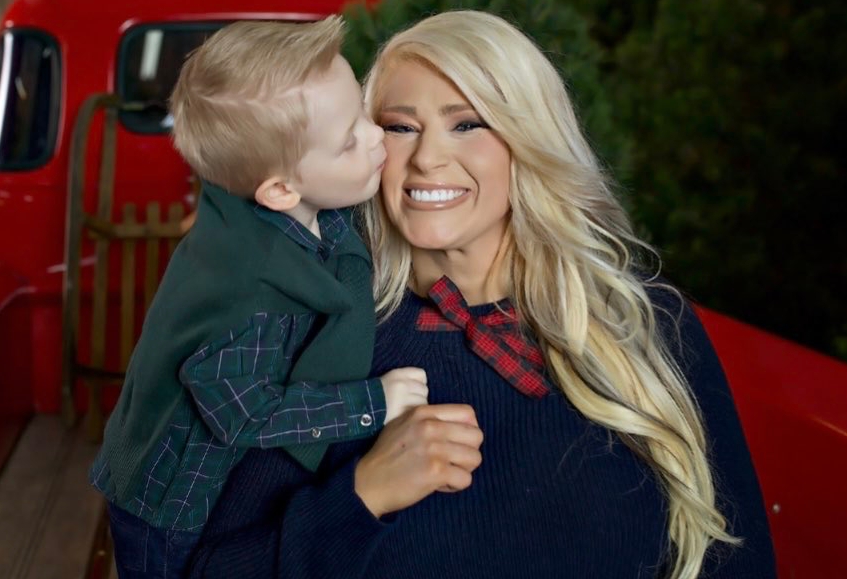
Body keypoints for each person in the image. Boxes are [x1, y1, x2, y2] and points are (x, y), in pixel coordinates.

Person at [185, 10, 776, 579]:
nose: (428, 158)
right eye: (401, 127)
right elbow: (208, 568)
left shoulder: (646, 320)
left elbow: (735, 560)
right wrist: (363, 493)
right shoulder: (325, 341)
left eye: (467, 124)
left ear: (528, 139)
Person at [88, 16, 429, 579]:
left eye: (364, 116)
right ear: (280, 190)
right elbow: (243, 413)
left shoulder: (289, 207)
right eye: (349, 141)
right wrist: (372, 402)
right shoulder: (252, 294)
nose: (376, 138)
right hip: (171, 504)